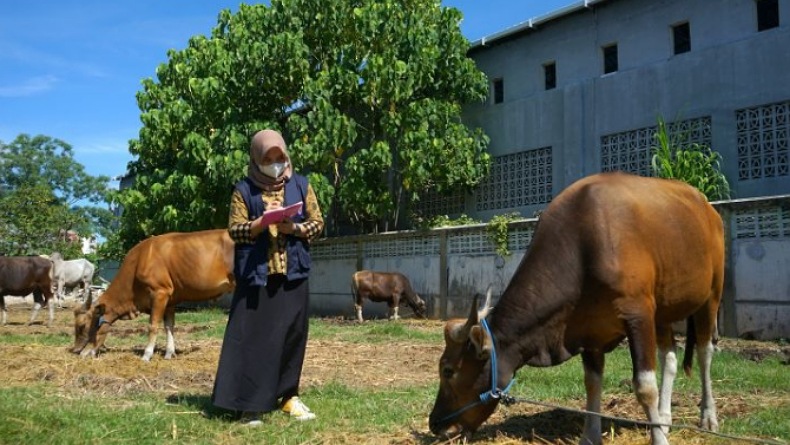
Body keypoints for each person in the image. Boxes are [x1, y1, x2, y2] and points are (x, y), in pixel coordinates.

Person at [211, 129, 324, 424]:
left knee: (292, 336)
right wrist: (259, 223)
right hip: (258, 276)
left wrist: (294, 228)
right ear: (256, 159)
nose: (274, 163)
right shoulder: (244, 190)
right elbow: (234, 229)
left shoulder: (301, 185)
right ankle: (249, 405)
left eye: (279, 157)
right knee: (253, 340)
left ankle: (288, 397)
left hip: (293, 275)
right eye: (268, 158)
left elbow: (317, 222)